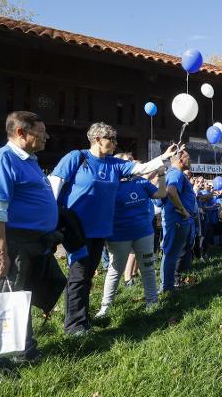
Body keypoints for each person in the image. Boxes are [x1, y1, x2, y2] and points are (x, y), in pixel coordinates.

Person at [49, 122, 179, 335]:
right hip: (76, 229)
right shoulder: (77, 157)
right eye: (112, 139)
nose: (116, 143)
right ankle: (74, 326)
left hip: (100, 231)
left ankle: (83, 319)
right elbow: (55, 185)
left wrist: (164, 156)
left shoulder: (114, 164)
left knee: (88, 275)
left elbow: (142, 168)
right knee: (78, 276)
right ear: (99, 139)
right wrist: (52, 220)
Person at [0, 111, 62, 363]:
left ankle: (25, 348)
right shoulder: (5, 159)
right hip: (15, 242)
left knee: (22, 296)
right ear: (21, 132)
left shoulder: (30, 160)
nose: (47, 136)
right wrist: (1, 250)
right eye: (41, 131)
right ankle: (8, 358)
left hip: (35, 242)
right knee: (10, 296)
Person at [96, 154, 167, 317]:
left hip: (144, 233)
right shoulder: (110, 185)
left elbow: (161, 194)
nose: (131, 163)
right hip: (119, 235)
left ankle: (152, 301)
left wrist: (162, 175)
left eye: (131, 160)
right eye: (126, 161)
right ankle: (105, 306)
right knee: (115, 271)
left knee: (148, 269)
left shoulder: (141, 182)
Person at [158, 149, 193, 293]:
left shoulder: (173, 173)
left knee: (172, 252)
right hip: (177, 219)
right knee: (171, 253)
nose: (190, 161)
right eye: (188, 157)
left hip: (176, 219)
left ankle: (168, 286)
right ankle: (167, 288)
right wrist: (183, 211)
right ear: (180, 160)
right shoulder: (176, 173)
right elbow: (171, 191)